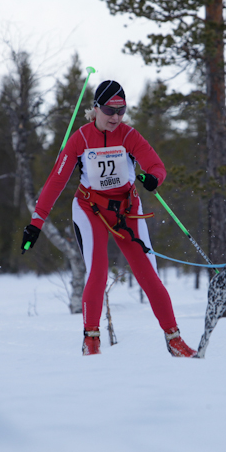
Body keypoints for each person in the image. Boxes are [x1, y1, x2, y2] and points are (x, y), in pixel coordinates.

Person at [21, 80, 196, 357]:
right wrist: (35, 224)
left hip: (127, 211)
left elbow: (156, 166)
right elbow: (55, 181)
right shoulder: (80, 138)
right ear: (95, 109)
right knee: (99, 272)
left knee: (149, 275)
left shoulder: (128, 136)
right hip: (91, 209)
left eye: (121, 110)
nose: (115, 117)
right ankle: (91, 340)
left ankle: (174, 338)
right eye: (109, 110)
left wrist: (153, 179)